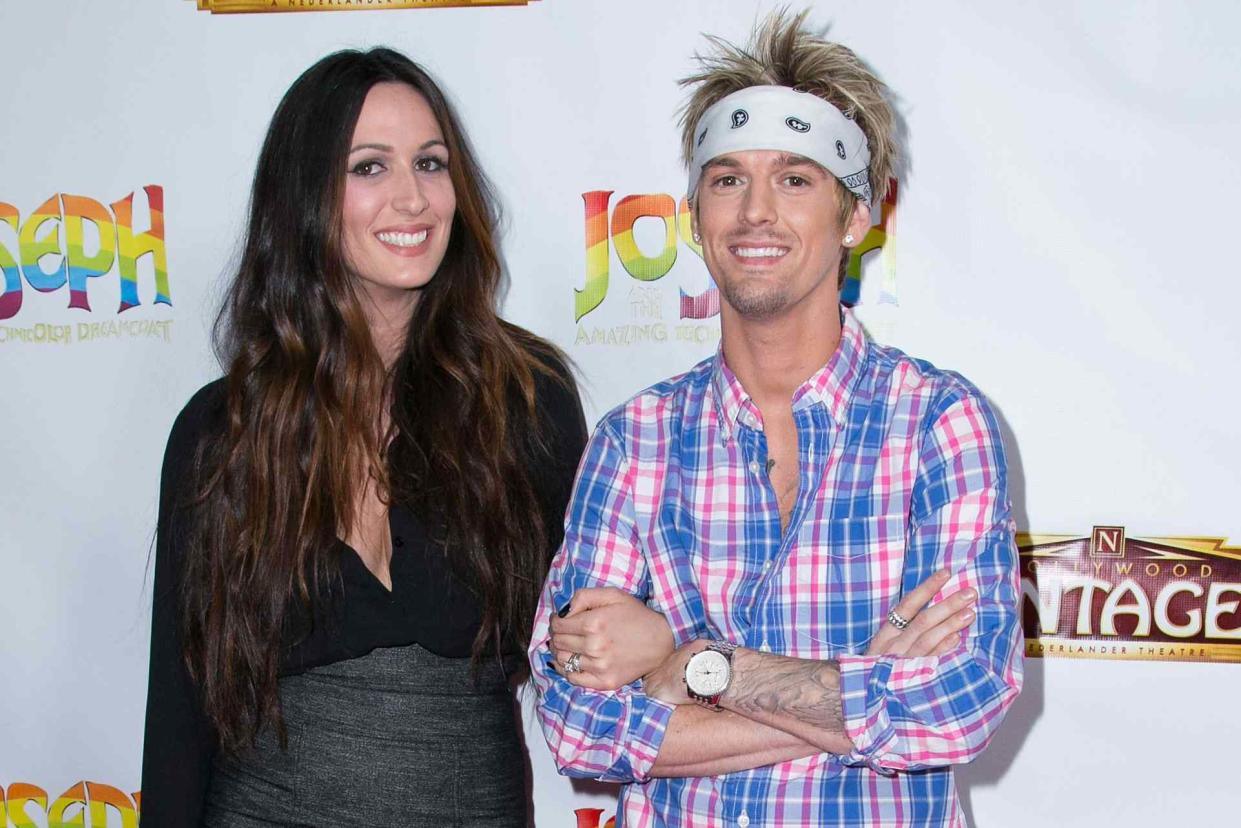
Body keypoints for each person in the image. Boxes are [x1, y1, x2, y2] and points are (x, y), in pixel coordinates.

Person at [529, 10, 1023, 826]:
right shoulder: (635, 440)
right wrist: (861, 683)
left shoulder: (939, 421)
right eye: (727, 179)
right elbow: (579, 727)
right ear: (694, 215)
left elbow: (958, 704)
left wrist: (696, 666)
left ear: (857, 216)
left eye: (795, 179)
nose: (755, 211)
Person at [140, 48, 587, 826]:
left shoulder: (526, 398)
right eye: (369, 168)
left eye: (431, 162)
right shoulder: (222, 433)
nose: (412, 199)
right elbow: (181, 717)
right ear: (305, 195)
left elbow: (585, 636)